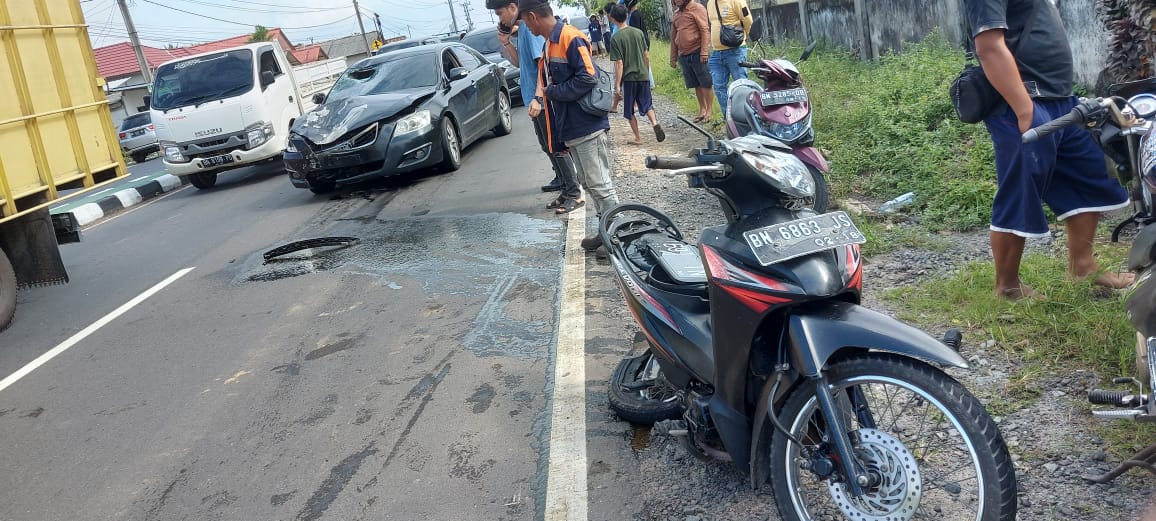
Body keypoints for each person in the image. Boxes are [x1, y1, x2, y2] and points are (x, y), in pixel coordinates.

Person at [966, 0, 1133, 299]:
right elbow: (988, 46)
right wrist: (1023, 109)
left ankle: (1082, 267)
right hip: (1025, 102)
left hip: (1061, 100)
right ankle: (1007, 286)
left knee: (1089, 174)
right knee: (1020, 190)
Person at [519, 0, 620, 250]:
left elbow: (588, 76)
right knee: (589, 183)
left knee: (600, 185)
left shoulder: (569, 37)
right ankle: (606, 233)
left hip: (587, 126)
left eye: (524, 21)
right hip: (573, 127)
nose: (525, 27)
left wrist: (553, 92)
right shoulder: (550, 43)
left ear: (532, 17)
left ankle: (617, 240)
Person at [490, 0, 585, 214]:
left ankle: (573, 192)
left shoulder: (529, 30)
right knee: (547, 145)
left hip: (541, 99)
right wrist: (506, 43)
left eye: (500, 13)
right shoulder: (523, 31)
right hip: (532, 99)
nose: (500, 19)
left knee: (556, 147)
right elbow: (519, 63)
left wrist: (539, 98)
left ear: (513, 7)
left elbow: (544, 66)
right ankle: (565, 187)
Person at [609, 4, 664, 145]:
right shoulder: (638, 33)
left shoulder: (615, 39)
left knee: (629, 111)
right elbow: (646, 55)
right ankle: (655, 123)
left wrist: (617, 84)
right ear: (627, 15)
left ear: (612, 18)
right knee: (647, 104)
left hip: (629, 78)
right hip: (643, 75)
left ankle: (638, 138)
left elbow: (619, 64)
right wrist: (646, 71)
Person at [669, 0, 712, 122]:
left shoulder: (697, 8)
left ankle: (709, 110)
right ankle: (702, 109)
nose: (675, 1)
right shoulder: (676, 14)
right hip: (684, 55)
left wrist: (704, 51)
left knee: (705, 82)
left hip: (698, 52)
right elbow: (673, 37)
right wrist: (673, 57)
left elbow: (704, 30)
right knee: (695, 83)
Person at [706, 0, 752, 115]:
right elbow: (712, 24)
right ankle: (729, 118)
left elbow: (748, 20)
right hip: (717, 53)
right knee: (718, 86)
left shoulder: (736, 1)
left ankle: (746, 118)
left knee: (741, 86)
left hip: (735, 51)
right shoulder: (710, 3)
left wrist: (743, 37)